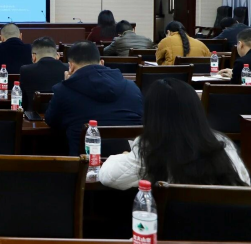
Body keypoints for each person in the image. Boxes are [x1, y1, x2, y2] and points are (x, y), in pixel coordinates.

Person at [99, 79, 249, 190]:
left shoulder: (149, 150)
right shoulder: (223, 146)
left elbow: (107, 175)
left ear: (152, 117)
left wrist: (128, 155)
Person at [45, 41, 144, 156]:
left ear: (70, 66)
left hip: (84, 164)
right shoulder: (132, 87)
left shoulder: (63, 90)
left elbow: (52, 121)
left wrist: (67, 83)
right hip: (126, 162)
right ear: (102, 63)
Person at [19, 37, 68, 112]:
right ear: (57, 55)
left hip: (34, 116)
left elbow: (23, 101)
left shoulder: (26, 70)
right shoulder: (68, 69)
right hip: (62, 116)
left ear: (33, 57)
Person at [0, 23, 33, 88]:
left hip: (1, 89)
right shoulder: (31, 49)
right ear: (21, 36)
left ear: (2, 38)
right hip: (26, 90)